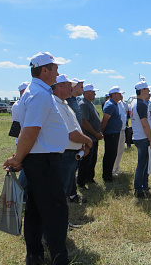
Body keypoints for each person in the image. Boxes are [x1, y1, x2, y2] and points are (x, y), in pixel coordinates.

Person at [3, 51, 70, 265]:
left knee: (36, 209)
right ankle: (59, 258)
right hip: (44, 161)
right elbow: (29, 132)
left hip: (40, 160)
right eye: (55, 68)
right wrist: (18, 159)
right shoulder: (40, 95)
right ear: (44, 70)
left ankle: (34, 254)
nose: (57, 72)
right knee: (56, 211)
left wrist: (21, 157)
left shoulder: (34, 92)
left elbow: (28, 132)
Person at [53, 75, 92, 203]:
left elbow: (75, 128)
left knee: (67, 185)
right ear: (60, 86)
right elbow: (71, 133)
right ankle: (60, 220)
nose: (72, 87)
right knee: (60, 191)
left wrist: (81, 145)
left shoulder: (65, 104)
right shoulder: (56, 105)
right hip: (65, 153)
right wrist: (87, 141)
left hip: (71, 152)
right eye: (69, 85)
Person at [130, 80, 151, 198]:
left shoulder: (135, 103)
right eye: (148, 89)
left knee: (144, 163)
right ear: (143, 90)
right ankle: (139, 189)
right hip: (143, 137)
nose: (149, 91)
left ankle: (143, 185)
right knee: (142, 164)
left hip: (139, 136)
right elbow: (145, 124)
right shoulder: (141, 104)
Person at [78, 84, 103, 187]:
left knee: (92, 159)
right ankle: (82, 181)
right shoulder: (83, 104)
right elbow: (84, 122)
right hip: (89, 137)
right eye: (93, 92)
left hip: (93, 138)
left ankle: (89, 178)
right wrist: (95, 134)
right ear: (86, 93)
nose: (95, 94)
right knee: (86, 161)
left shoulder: (90, 104)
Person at [10, 82, 30, 197]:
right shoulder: (19, 105)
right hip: (22, 139)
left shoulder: (20, 103)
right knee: (25, 167)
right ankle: (20, 193)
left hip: (22, 139)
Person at [101, 86, 123, 182]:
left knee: (112, 154)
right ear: (113, 95)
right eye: (118, 94)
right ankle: (107, 176)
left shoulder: (114, 104)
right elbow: (105, 120)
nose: (120, 95)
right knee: (109, 155)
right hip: (111, 134)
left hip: (114, 133)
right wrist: (101, 132)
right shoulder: (110, 105)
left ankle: (108, 174)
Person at [112, 89, 128, 176]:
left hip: (122, 130)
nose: (121, 96)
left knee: (120, 150)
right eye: (120, 94)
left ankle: (116, 168)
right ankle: (112, 169)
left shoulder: (122, 104)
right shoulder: (113, 104)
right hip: (116, 131)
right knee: (115, 150)